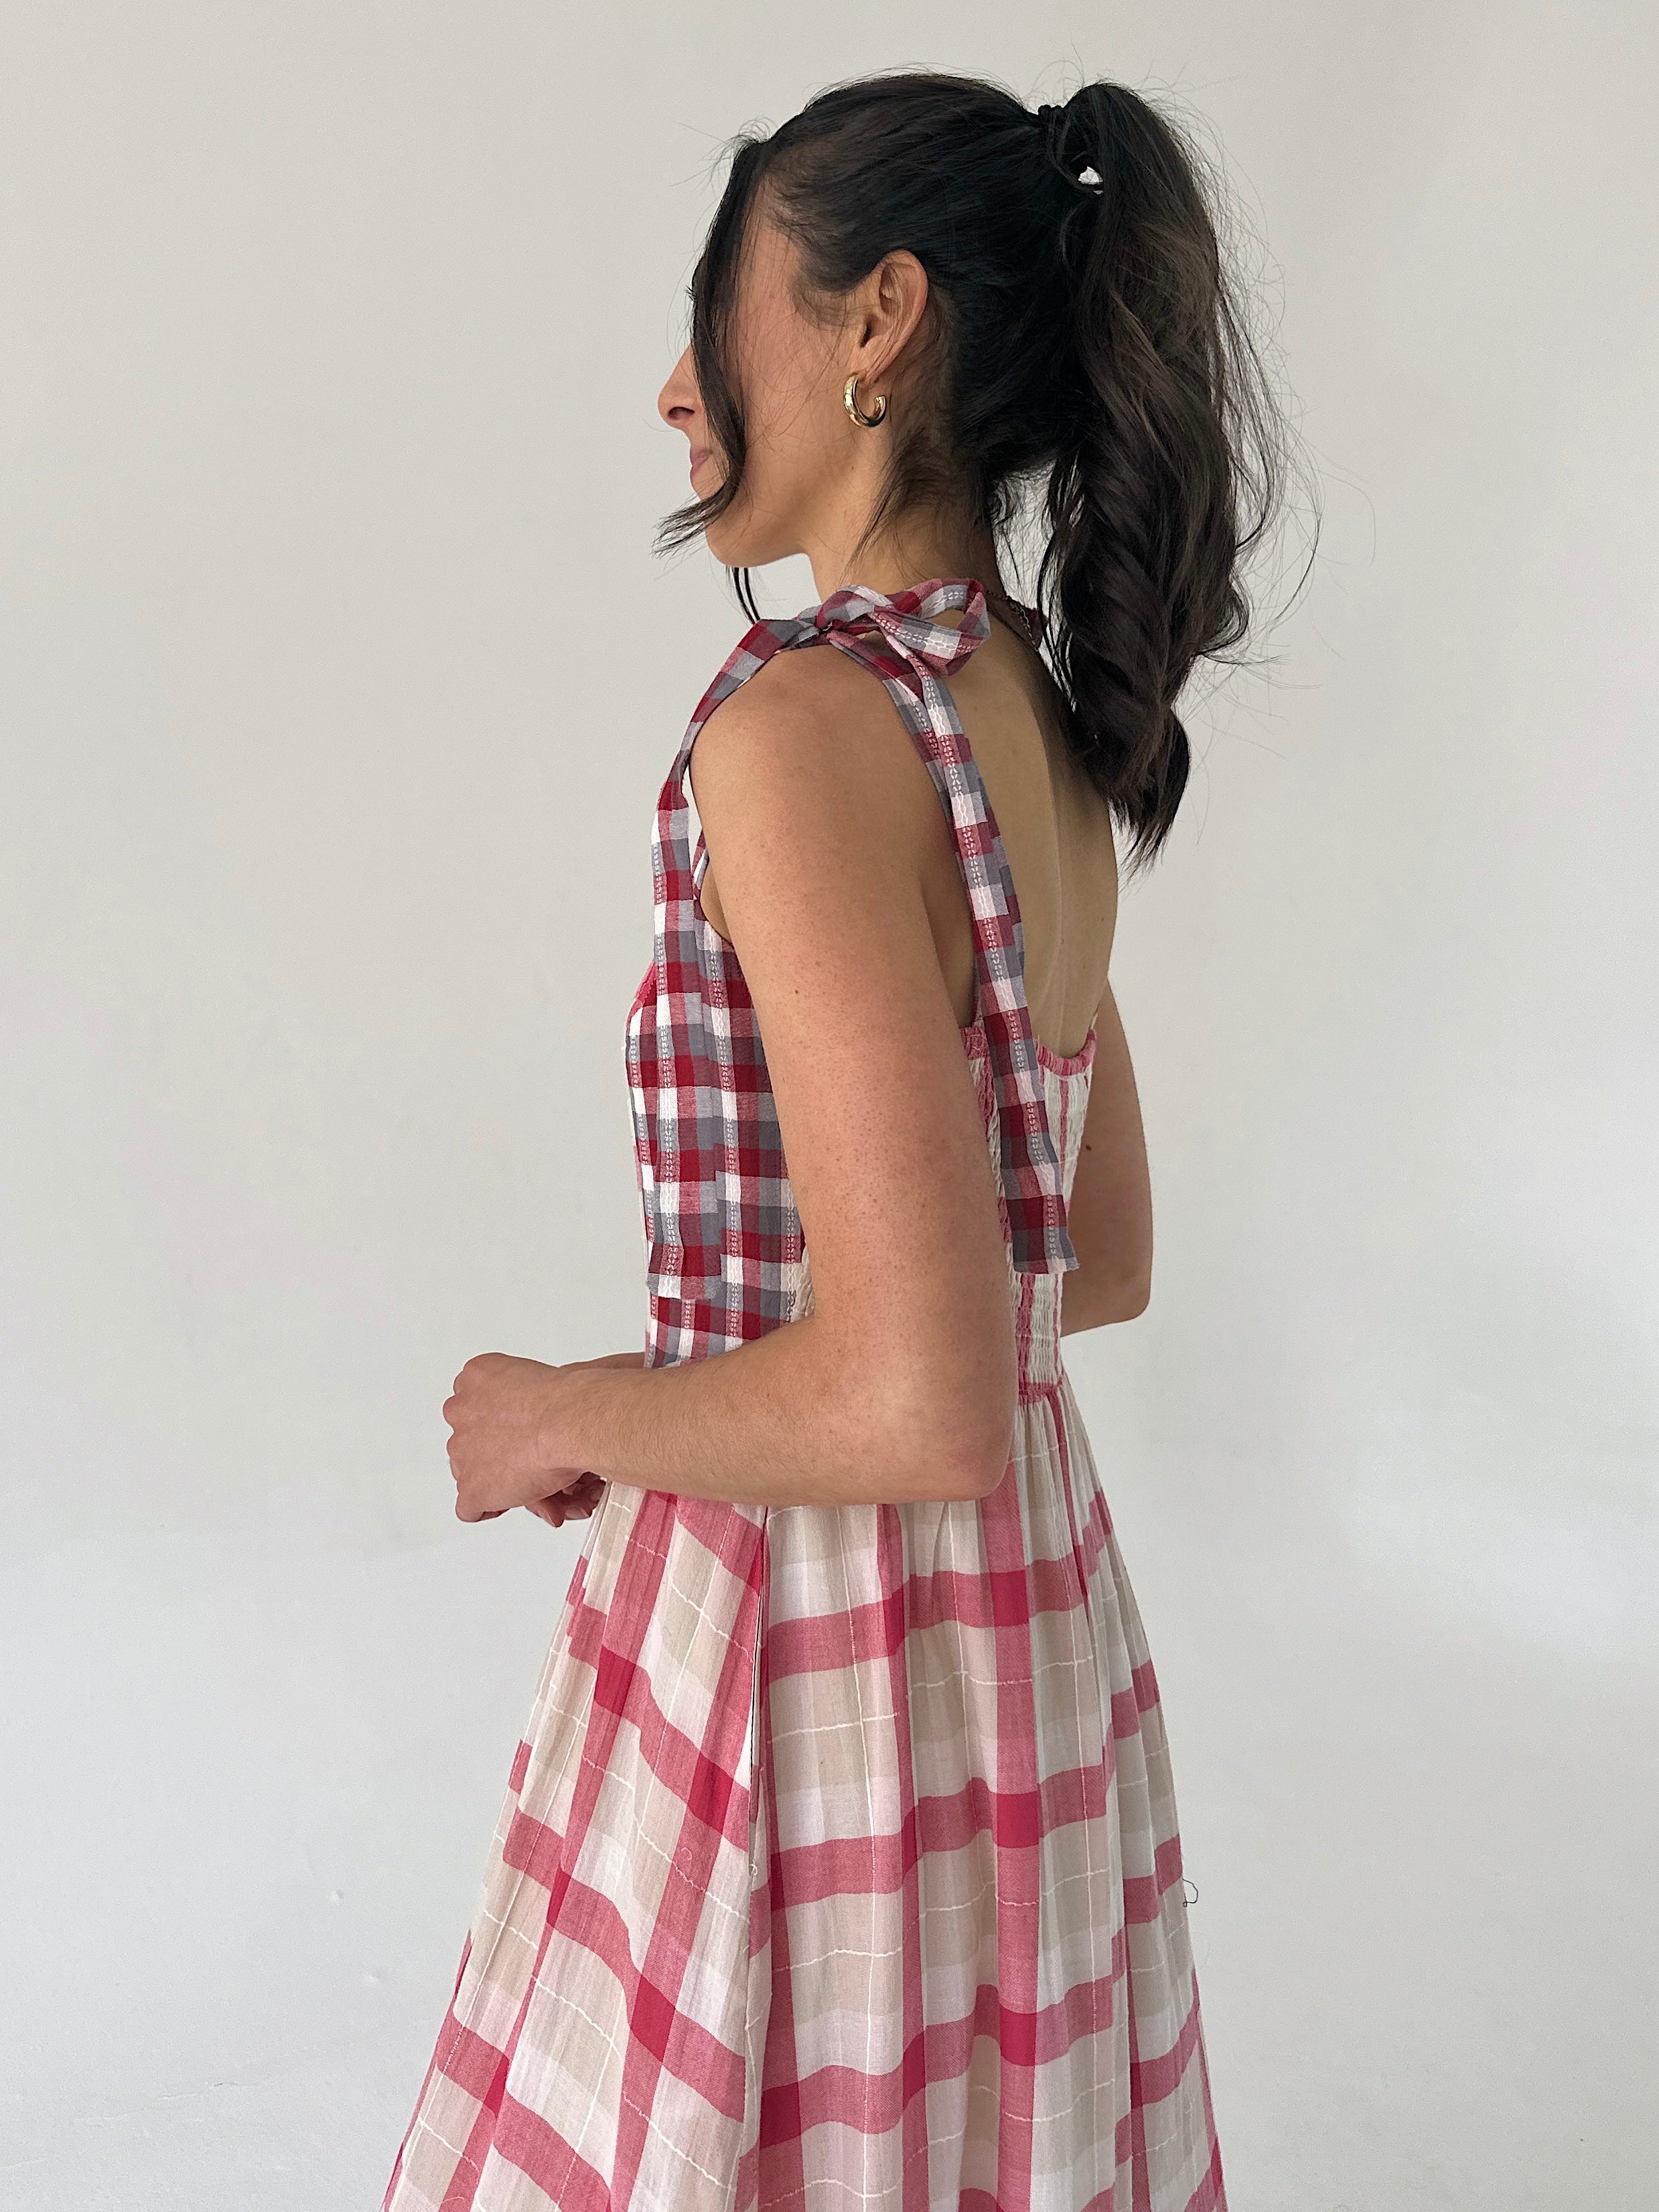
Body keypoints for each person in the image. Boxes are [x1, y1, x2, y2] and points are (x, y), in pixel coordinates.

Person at [386, 66, 1300, 2212]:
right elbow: (1101, 1254)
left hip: (827, 1657)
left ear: (875, 318)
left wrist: (558, 1411)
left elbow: (919, 1389)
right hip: (1028, 1650)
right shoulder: (1035, 729)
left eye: (718, 305)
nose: (673, 387)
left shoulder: (811, 733)